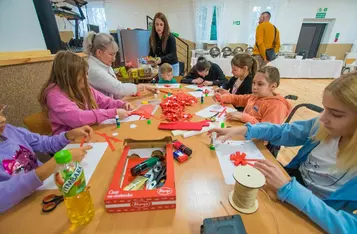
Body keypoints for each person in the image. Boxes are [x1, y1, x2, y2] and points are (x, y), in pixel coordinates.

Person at [209, 72, 357, 233]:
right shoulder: (322, 126)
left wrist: (290, 190)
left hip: (315, 212)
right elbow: (284, 131)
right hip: (290, 183)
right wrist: (245, 129)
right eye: (325, 109)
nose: (322, 119)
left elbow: (349, 226)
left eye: (336, 114)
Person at [0, 104, 93, 212]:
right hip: (17, 210)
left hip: (44, 191)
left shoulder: (11, 131)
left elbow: (44, 143)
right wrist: (55, 164)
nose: (3, 119)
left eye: (1, 112)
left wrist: (68, 135)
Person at [39, 51, 132, 135]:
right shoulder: (54, 95)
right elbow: (78, 118)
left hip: (88, 133)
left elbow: (104, 100)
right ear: (68, 77)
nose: (86, 78)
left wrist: (122, 104)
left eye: (86, 74)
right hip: (69, 145)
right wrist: (113, 113)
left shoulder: (82, 86)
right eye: (81, 76)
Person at [83, 32, 156, 98]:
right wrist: (142, 87)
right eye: (111, 54)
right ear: (99, 52)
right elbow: (118, 88)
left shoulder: (103, 63)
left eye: (115, 54)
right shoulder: (94, 70)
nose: (114, 59)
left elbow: (116, 89)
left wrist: (131, 91)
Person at [215, 66, 291, 124]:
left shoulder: (276, 106)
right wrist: (223, 98)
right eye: (253, 83)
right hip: (246, 130)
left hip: (259, 143)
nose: (254, 87)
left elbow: (267, 132)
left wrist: (245, 118)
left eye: (260, 84)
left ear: (273, 86)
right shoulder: (256, 96)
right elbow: (239, 99)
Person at [149, 12, 179, 76]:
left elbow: (172, 54)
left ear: (165, 25)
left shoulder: (171, 37)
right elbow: (151, 53)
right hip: (161, 67)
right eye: (157, 24)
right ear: (154, 25)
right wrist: (149, 59)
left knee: (172, 85)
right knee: (161, 85)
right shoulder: (152, 38)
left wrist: (161, 59)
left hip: (172, 66)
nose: (159, 27)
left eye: (161, 24)